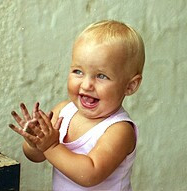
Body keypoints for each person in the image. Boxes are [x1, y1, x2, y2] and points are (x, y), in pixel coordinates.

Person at [9, 20, 145, 191]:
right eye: (78, 72)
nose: (87, 84)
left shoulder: (119, 130)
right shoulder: (62, 111)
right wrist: (34, 143)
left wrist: (51, 146)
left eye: (101, 76)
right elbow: (36, 157)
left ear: (130, 86)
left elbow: (90, 174)